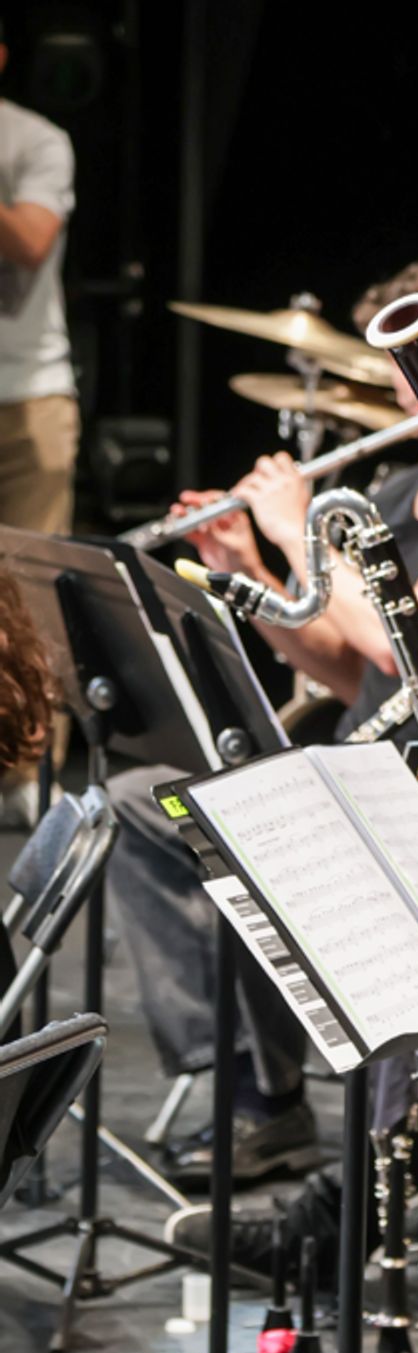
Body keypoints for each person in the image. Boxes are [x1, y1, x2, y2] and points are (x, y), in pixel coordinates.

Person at [110, 264, 418, 1202]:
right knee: (144, 806)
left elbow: (406, 643)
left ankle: (371, 1160)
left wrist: (299, 535)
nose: (413, 384)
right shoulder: (397, 486)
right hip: (363, 763)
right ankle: (259, 1086)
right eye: (400, 365)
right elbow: (344, 666)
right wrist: (246, 564)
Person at [0, 32, 78, 825]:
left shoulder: (35, 139)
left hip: (28, 394)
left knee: (25, 595)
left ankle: (25, 776)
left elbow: (29, 240)